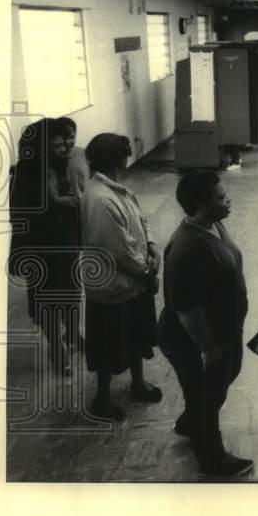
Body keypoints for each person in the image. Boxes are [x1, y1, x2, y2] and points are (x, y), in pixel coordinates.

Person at [159, 170, 252, 477]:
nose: (228, 201)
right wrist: (208, 349)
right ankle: (212, 458)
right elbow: (187, 310)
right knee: (205, 398)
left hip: (223, 333)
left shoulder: (213, 225)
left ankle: (190, 422)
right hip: (195, 340)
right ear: (200, 204)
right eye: (221, 198)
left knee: (218, 384)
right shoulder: (187, 247)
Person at [80, 133, 163, 420]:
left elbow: (140, 221)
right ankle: (102, 398)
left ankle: (137, 383)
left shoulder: (115, 190)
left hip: (132, 282)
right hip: (114, 286)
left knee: (137, 334)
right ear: (120, 158)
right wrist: (147, 272)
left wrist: (151, 246)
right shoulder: (101, 199)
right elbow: (119, 249)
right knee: (108, 344)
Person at [8, 119, 82, 375]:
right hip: (40, 249)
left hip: (66, 243)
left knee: (72, 292)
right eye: (57, 145)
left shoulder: (63, 166)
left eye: (65, 143)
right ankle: (56, 346)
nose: (65, 148)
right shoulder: (24, 174)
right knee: (47, 301)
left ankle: (73, 334)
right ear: (40, 148)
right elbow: (19, 216)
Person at [55, 116, 90, 197]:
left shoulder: (83, 153)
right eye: (64, 138)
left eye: (71, 137)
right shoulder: (55, 160)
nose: (67, 142)